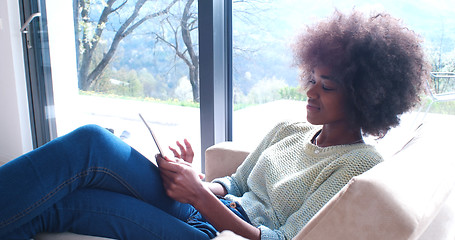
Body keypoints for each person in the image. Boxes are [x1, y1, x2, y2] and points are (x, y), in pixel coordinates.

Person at [0, 10, 429, 240]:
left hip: (216, 234)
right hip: (202, 206)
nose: (310, 92)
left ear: (364, 94)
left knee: (59, 205)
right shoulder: (289, 130)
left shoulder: (355, 166)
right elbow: (239, 184)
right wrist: (197, 180)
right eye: (311, 79)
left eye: (327, 87)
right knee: (93, 143)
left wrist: (199, 197)